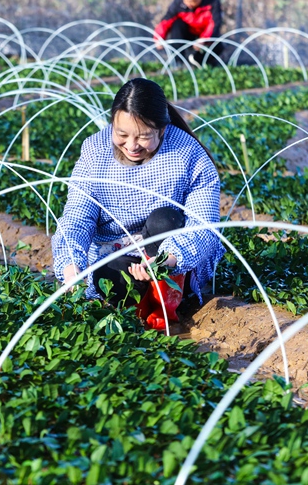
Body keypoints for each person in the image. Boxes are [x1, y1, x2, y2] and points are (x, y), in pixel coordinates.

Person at [51, 78, 225, 326]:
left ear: (162, 130)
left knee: (165, 218)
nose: (131, 146)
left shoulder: (188, 154)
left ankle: (166, 298)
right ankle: (139, 299)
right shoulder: (95, 151)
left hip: (170, 252)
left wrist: (166, 261)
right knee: (109, 278)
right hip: (116, 253)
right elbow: (78, 216)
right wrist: (71, 268)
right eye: (121, 134)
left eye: (144, 137)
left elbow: (203, 226)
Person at [154, 0, 224, 67]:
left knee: (218, 46)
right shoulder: (178, 3)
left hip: (204, 35)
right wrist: (158, 38)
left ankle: (201, 62)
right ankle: (178, 62)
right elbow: (166, 20)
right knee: (177, 25)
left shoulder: (212, 2)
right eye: (185, 0)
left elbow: (214, 24)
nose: (187, 3)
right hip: (188, 33)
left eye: (191, 1)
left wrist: (204, 39)